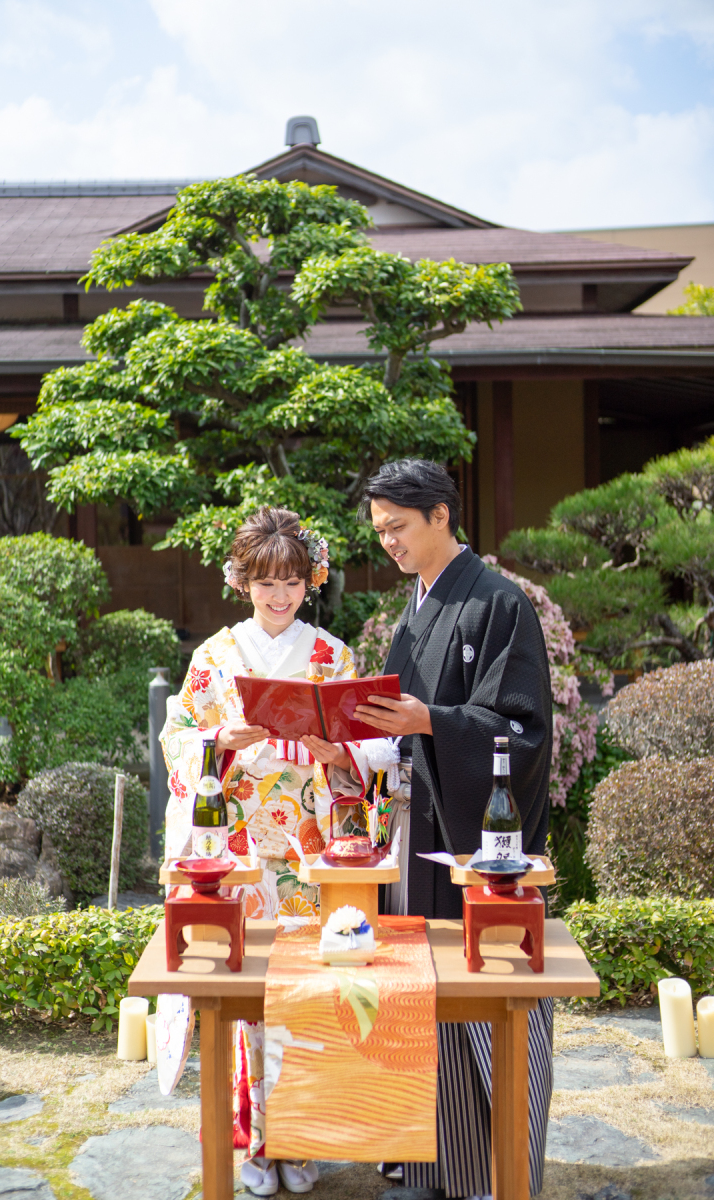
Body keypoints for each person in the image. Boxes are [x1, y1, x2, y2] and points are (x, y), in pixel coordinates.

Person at [354, 458, 553, 1200]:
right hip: (420, 830)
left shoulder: (500, 602)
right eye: (380, 533)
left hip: (475, 842)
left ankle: (497, 1173)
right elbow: (396, 729)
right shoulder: (416, 607)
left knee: (484, 1000)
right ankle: (434, 1162)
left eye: (398, 528)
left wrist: (431, 721)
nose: (389, 545)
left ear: (442, 515)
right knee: (421, 997)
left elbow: (524, 731)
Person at [160, 506, 370, 1198]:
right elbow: (178, 740)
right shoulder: (213, 657)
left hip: (311, 844)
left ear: (311, 581)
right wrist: (219, 743)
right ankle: (249, 1140)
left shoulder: (332, 655)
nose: (279, 597)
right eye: (264, 583)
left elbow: (361, 754)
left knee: (309, 988)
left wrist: (337, 751)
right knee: (244, 994)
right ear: (241, 581)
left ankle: (301, 1136)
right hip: (239, 841)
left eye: (291, 583)